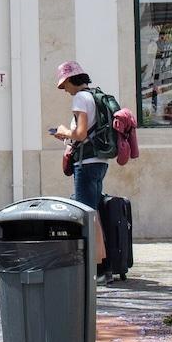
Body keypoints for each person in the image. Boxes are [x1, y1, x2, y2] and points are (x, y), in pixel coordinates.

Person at [52, 60, 115, 266]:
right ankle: (102, 263)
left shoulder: (80, 98)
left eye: (64, 85)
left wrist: (63, 132)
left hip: (85, 163)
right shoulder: (94, 96)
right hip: (99, 161)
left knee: (87, 216)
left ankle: (96, 267)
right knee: (93, 212)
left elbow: (80, 133)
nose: (64, 90)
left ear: (71, 79)